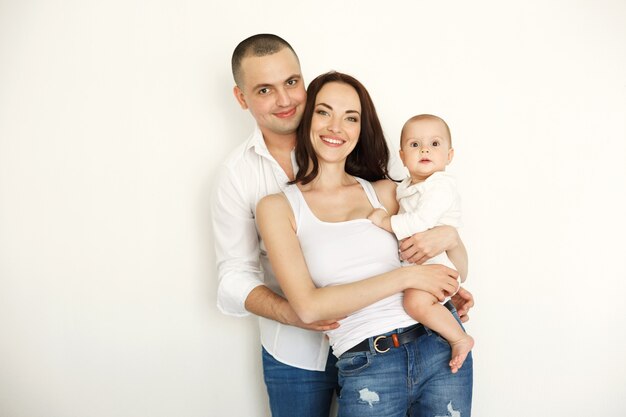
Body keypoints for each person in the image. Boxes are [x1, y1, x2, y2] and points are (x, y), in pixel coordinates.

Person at [213, 34, 474, 417]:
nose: (285, 100)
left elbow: (437, 254)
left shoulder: (385, 192)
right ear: (242, 97)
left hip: (435, 344)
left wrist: (448, 253)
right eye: (265, 89)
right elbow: (246, 282)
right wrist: (295, 312)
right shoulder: (251, 186)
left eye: (291, 83)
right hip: (311, 352)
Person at [368, 114, 475, 373]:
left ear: (449, 156)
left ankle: (460, 338)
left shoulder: (440, 186)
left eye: (434, 144)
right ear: (402, 156)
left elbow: (420, 221)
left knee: (415, 304)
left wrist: (386, 221)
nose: (425, 149)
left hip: (439, 263)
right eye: (415, 145)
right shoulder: (407, 187)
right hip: (425, 263)